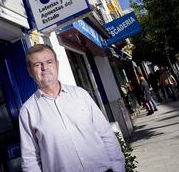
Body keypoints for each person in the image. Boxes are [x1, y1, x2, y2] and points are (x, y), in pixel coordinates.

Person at [19, 44, 125, 172]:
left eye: (49, 62)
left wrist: (117, 166)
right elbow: (30, 160)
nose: (44, 67)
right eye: (37, 64)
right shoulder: (27, 111)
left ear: (57, 65)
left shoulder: (81, 94)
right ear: (30, 71)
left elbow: (105, 133)